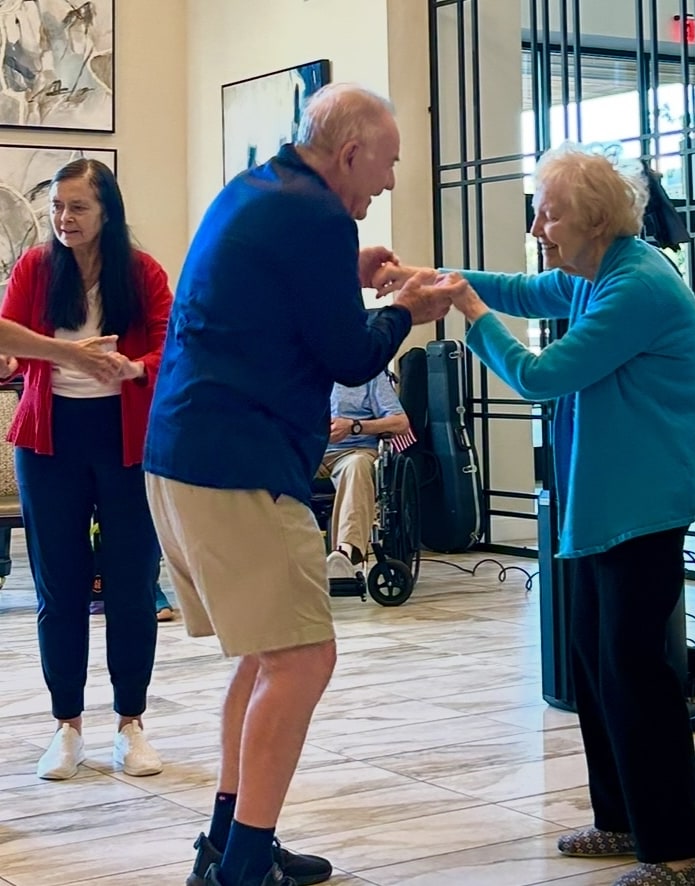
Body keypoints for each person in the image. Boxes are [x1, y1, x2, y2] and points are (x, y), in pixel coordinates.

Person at [375, 144, 695, 886]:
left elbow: (540, 377)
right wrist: (429, 279)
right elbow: (524, 289)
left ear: (594, 220)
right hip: (610, 500)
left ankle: (683, 852)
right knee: (596, 664)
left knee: (636, 673)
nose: (537, 226)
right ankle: (621, 819)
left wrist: (470, 315)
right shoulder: (594, 271)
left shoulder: (635, 286)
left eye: (549, 213)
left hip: (646, 501)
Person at [143, 83, 458, 886]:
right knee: (302, 659)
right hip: (236, 466)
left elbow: (266, 291)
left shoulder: (258, 188)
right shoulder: (316, 216)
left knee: (267, 657)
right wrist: (406, 308)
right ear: (349, 154)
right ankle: (244, 866)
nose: (389, 181)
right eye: (387, 163)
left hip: (183, 455)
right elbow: (351, 356)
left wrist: (347, 273)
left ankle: (229, 844)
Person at [0, 158, 171, 781]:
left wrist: (135, 367)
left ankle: (131, 724)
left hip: (127, 443)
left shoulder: (142, 272)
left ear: (107, 213)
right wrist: (66, 353)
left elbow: (175, 343)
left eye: (78, 207)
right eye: (57, 207)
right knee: (60, 588)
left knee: (132, 585)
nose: (64, 218)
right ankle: (66, 726)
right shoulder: (36, 268)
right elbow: (4, 333)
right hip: (50, 442)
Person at [320, 372, 410, 579]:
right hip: (306, 452)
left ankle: (344, 553)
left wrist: (354, 426)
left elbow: (400, 423)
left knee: (357, 466)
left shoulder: (368, 375)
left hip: (353, 451)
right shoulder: (295, 372)